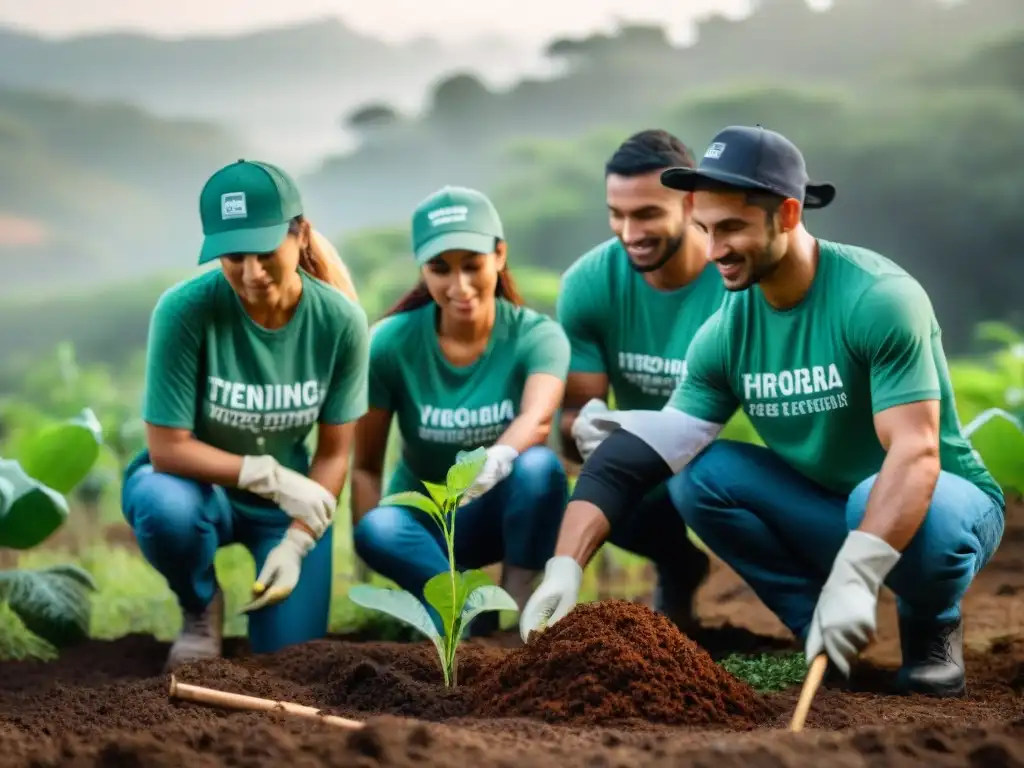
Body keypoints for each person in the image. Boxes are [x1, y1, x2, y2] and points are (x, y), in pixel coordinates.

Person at [520, 125, 1005, 699]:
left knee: (886, 504)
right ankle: (816, 630)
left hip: (939, 504)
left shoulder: (878, 299)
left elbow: (917, 452)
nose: (714, 248)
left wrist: (857, 572)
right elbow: (650, 447)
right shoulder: (726, 331)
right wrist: (566, 565)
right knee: (699, 476)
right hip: (826, 507)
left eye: (732, 228)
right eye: (704, 228)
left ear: (789, 214)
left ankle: (930, 626)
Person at [121, 159, 370, 670]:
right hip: (196, 487)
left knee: (291, 658)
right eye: (234, 257)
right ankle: (199, 606)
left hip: (285, 504)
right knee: (164, 509)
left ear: (300, 234)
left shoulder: (339, 321)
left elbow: (334, 453)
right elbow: (167, 448)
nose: (251, 274)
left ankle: (278, 571)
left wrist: (299, 541)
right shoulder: (184, 311)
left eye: (264, 252)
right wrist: (265, 474)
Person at [351, 185, 571, 638]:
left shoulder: (536, 336)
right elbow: (366, 466)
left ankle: (520, 601)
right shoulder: (388, 344)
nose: (460, 286)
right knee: (378, 528)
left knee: (539, 467)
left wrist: (494, 461)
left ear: (500, 255)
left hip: (499, 515)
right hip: (424, 527)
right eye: (440, 269)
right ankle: (461, 603)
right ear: (423, 270)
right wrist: (379, 562)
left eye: (472, 266)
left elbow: (538, 419)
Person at [555, 129, 726, 632]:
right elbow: (573, 415)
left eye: (647, 213)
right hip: (642, 464)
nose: (629, 231)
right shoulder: (588, 284)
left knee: (704, 481)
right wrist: (585, 430)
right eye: (617, 213)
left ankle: (805, 596)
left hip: (722, 464)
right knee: (590, 473)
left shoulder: (734, 280)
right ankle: (678, 563)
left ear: (693, 202)